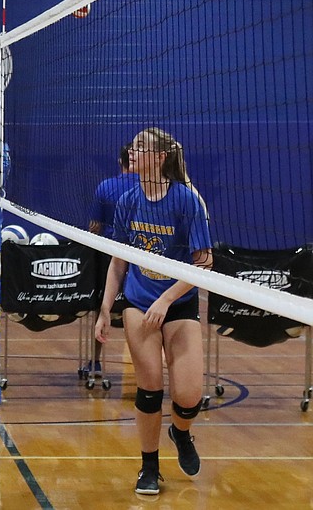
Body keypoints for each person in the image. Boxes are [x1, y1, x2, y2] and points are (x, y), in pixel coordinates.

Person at [94, 127, 212, 496]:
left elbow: (203, 262)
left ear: (159, 157)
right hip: (139, 302)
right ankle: (149, 466)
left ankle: (181, 431)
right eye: (132, 146)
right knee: (149, 389)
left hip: (177, 303)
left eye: (140, 148)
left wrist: (166, 300)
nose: (131, 151)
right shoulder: (128, 200)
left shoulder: (186, 200)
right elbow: (118, 261)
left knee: (189, 396)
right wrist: (104, 309)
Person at [86, 143, 139, 374]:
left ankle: (95, 362)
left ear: (120, 162)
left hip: (109, 256)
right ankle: (143, 363)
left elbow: (95, 227)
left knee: (102, 305)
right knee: (140, 308)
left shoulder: (106, 187)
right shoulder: (148, 190)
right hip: (141, 257)